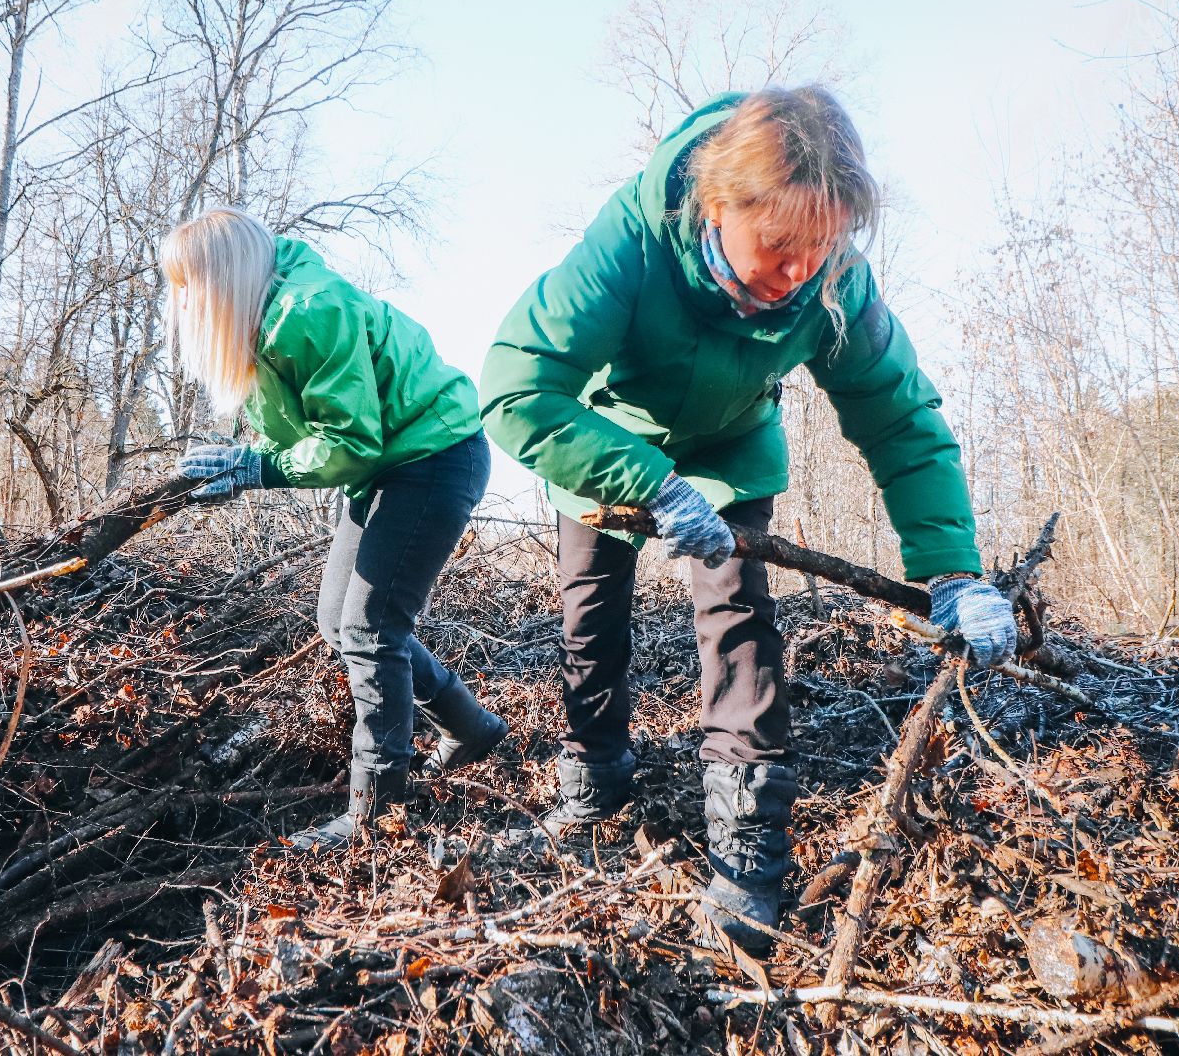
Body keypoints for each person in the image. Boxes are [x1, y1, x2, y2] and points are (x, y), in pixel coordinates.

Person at [480, 86, 1017, 950]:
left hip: (729, 448)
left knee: (735, 618)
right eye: (780, 245)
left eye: (823, 247)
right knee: (589, 616)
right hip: (607, 444)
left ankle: (748, 848)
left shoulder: (834, 284)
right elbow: (513, 386)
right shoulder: (633, 238)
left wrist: (954, 570)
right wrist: (647, 481)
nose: (801, 272)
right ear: (719, 204)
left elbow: (902, 421)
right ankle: (595, 776)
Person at [164, 208, 507, 851]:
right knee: (337, 619)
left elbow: (350, 439)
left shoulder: (306, 312)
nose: (183, 301)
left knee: (371, 629)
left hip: (435, 457)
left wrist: (257, 468)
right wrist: (241, 461)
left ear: (223, 279)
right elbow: (307, 422)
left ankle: (377, 810)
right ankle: (470, 727)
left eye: (190, 285)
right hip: (388, 467)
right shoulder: (266, 320)